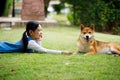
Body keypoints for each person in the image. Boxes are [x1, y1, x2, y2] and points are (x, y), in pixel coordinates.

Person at [0, 21, 72, 55]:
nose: (41, 32)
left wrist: (39, 39)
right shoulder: (30, 42)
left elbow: (38, 49)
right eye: (39, 30)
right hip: (2, 47)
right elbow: (44, 51)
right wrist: (61, 52)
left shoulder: (30, 40)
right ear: (31, 32)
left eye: (41, 30)